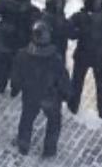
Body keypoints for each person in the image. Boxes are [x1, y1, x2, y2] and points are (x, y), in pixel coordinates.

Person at [10, 20, 70, 158]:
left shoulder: (22, 54)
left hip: (31, 95)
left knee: (27, 118)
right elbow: (62, 77)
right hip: (50, 96)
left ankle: (23, 143)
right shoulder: (55, 57)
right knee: (54, 121)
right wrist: (66, 93)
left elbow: (16, 75)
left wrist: (15, 88)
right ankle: (49, 149)